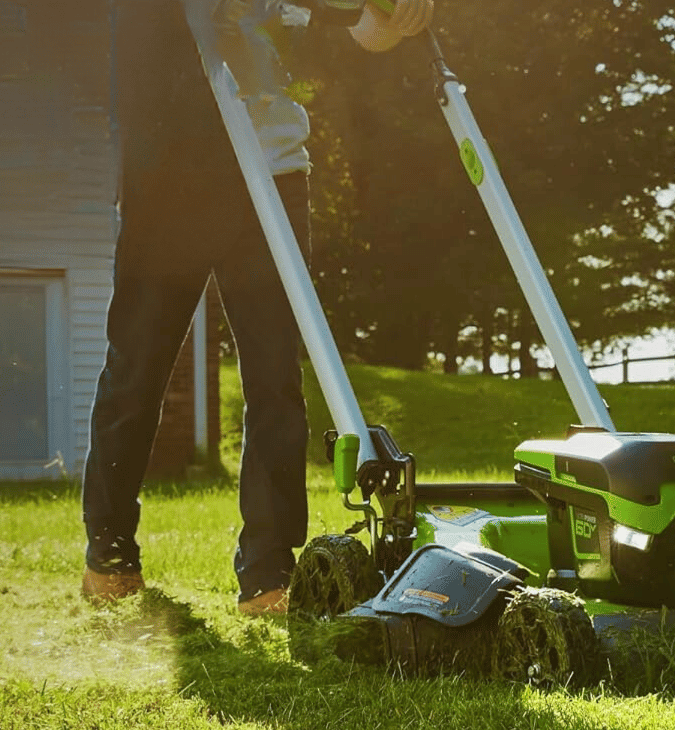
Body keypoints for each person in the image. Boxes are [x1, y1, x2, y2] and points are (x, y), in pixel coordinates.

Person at [81, 0, 433, 614]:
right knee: (139, 362)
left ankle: (269, 570)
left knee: (275, 377)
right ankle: (109, 551)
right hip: (171, 169)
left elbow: (362, 29)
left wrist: (399, 11)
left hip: (274, 170)